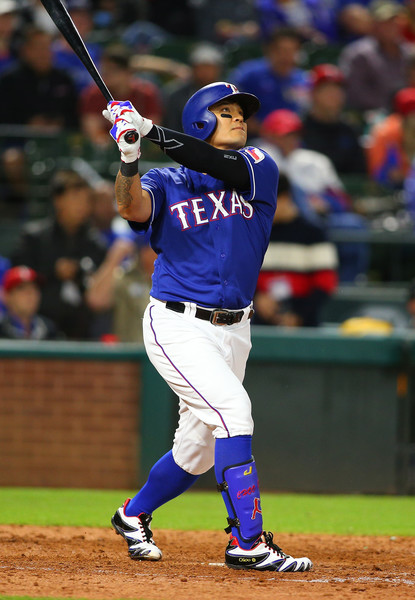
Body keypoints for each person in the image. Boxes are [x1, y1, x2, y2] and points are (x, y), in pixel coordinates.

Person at [102, 82, 313, 571]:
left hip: (235, 329)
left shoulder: (259, 165)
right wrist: (131, 155)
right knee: (234, 413)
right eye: (225, 111)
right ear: (200, 118)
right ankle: (249, 542)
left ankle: (131, 515)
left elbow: (216, 165)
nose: (239, 118)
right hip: (178, 323)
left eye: (240, 111)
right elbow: (129, 207)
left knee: (195, 452)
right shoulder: (168, 180)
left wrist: (149, 129)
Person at [10, 169, 107, 340]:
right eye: (76, 198)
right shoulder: (34, 237)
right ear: (58, 200)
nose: (82, 205)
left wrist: (79, 273)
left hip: (84, 336)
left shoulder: (95, 243)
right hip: (38, 333)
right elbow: (17, 279)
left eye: (86, 200)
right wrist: (53, 270)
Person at [254, 174, 338, 327]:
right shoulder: (256, 233)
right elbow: (242, 274)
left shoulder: (313, 233)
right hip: (259, 322)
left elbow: (326, 282)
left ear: (286, 198)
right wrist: (257, 297)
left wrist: (299, 315)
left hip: (305, 325)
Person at [229, 27, 310, 136]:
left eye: (292, 51)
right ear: (270, 50)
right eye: (283, 50)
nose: (286, 56)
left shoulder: (303, 79)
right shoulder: (249, 73)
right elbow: (230, 103)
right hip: (254, 137)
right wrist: (261, 130)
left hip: (292, 139)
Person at [79, 44, 163, 148]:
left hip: (139, 150)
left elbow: (151, 130)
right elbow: (93, 131)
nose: (107, 74)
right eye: (105, 69)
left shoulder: (145, 93)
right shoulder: (93, 94)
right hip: (105, 151)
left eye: (113, 69)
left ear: (128, 72)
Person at [338, 0, 411, 116]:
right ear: (374, 24)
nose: (392, 26)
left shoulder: (410, 52)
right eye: (386, 22)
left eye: (395, 21)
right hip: (372, 118)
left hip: (409, 115)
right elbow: (354, 93)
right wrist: (391, 107)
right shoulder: (359, 54)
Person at [302, 63, 367, 175]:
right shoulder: (300, 129)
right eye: (327, 89)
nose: (334, 95)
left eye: (338, 89)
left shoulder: (349, 130)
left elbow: (359, 174)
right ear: (314, 94)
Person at [162, 43, 225, 132]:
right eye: (201, 67)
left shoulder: (228, 93)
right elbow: (171, 127)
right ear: (193, 68)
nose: (205, 72)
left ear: (218, 70)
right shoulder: (177, 95)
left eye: (209, 68)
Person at [0, 265, 60, 340]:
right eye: (21, 288)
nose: (30, 293)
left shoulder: (49, 329)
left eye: (35, 288)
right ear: (7, 296)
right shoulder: (1, 328)